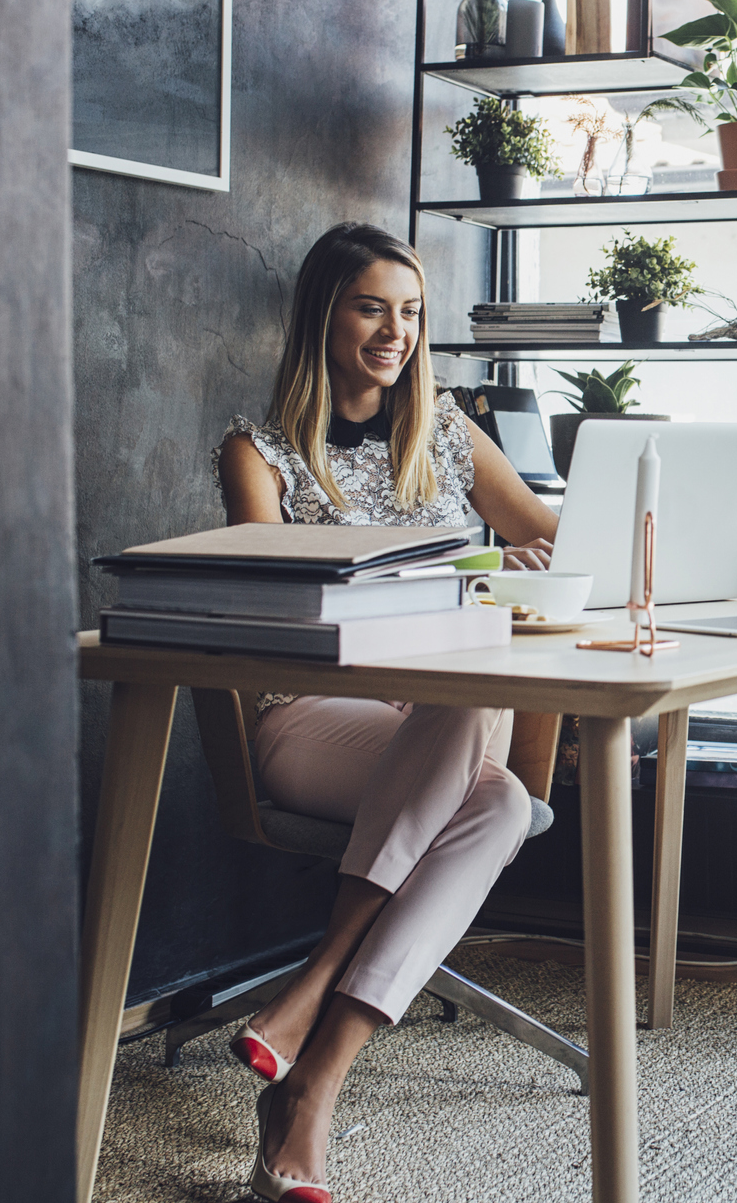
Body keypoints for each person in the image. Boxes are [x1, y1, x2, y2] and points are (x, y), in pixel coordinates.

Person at [212, 221, 558, 1203]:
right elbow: (269, 603)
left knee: (486, 782)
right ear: (324, 314)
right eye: (371, 307)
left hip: (445, 723)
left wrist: (547, 559)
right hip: (315, 721)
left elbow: (549, 533)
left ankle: (312, 1071)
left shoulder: (447, 429)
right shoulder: (262, 450)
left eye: (409, 312)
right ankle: (316, 1001)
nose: (393, 332)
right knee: (483, 771)